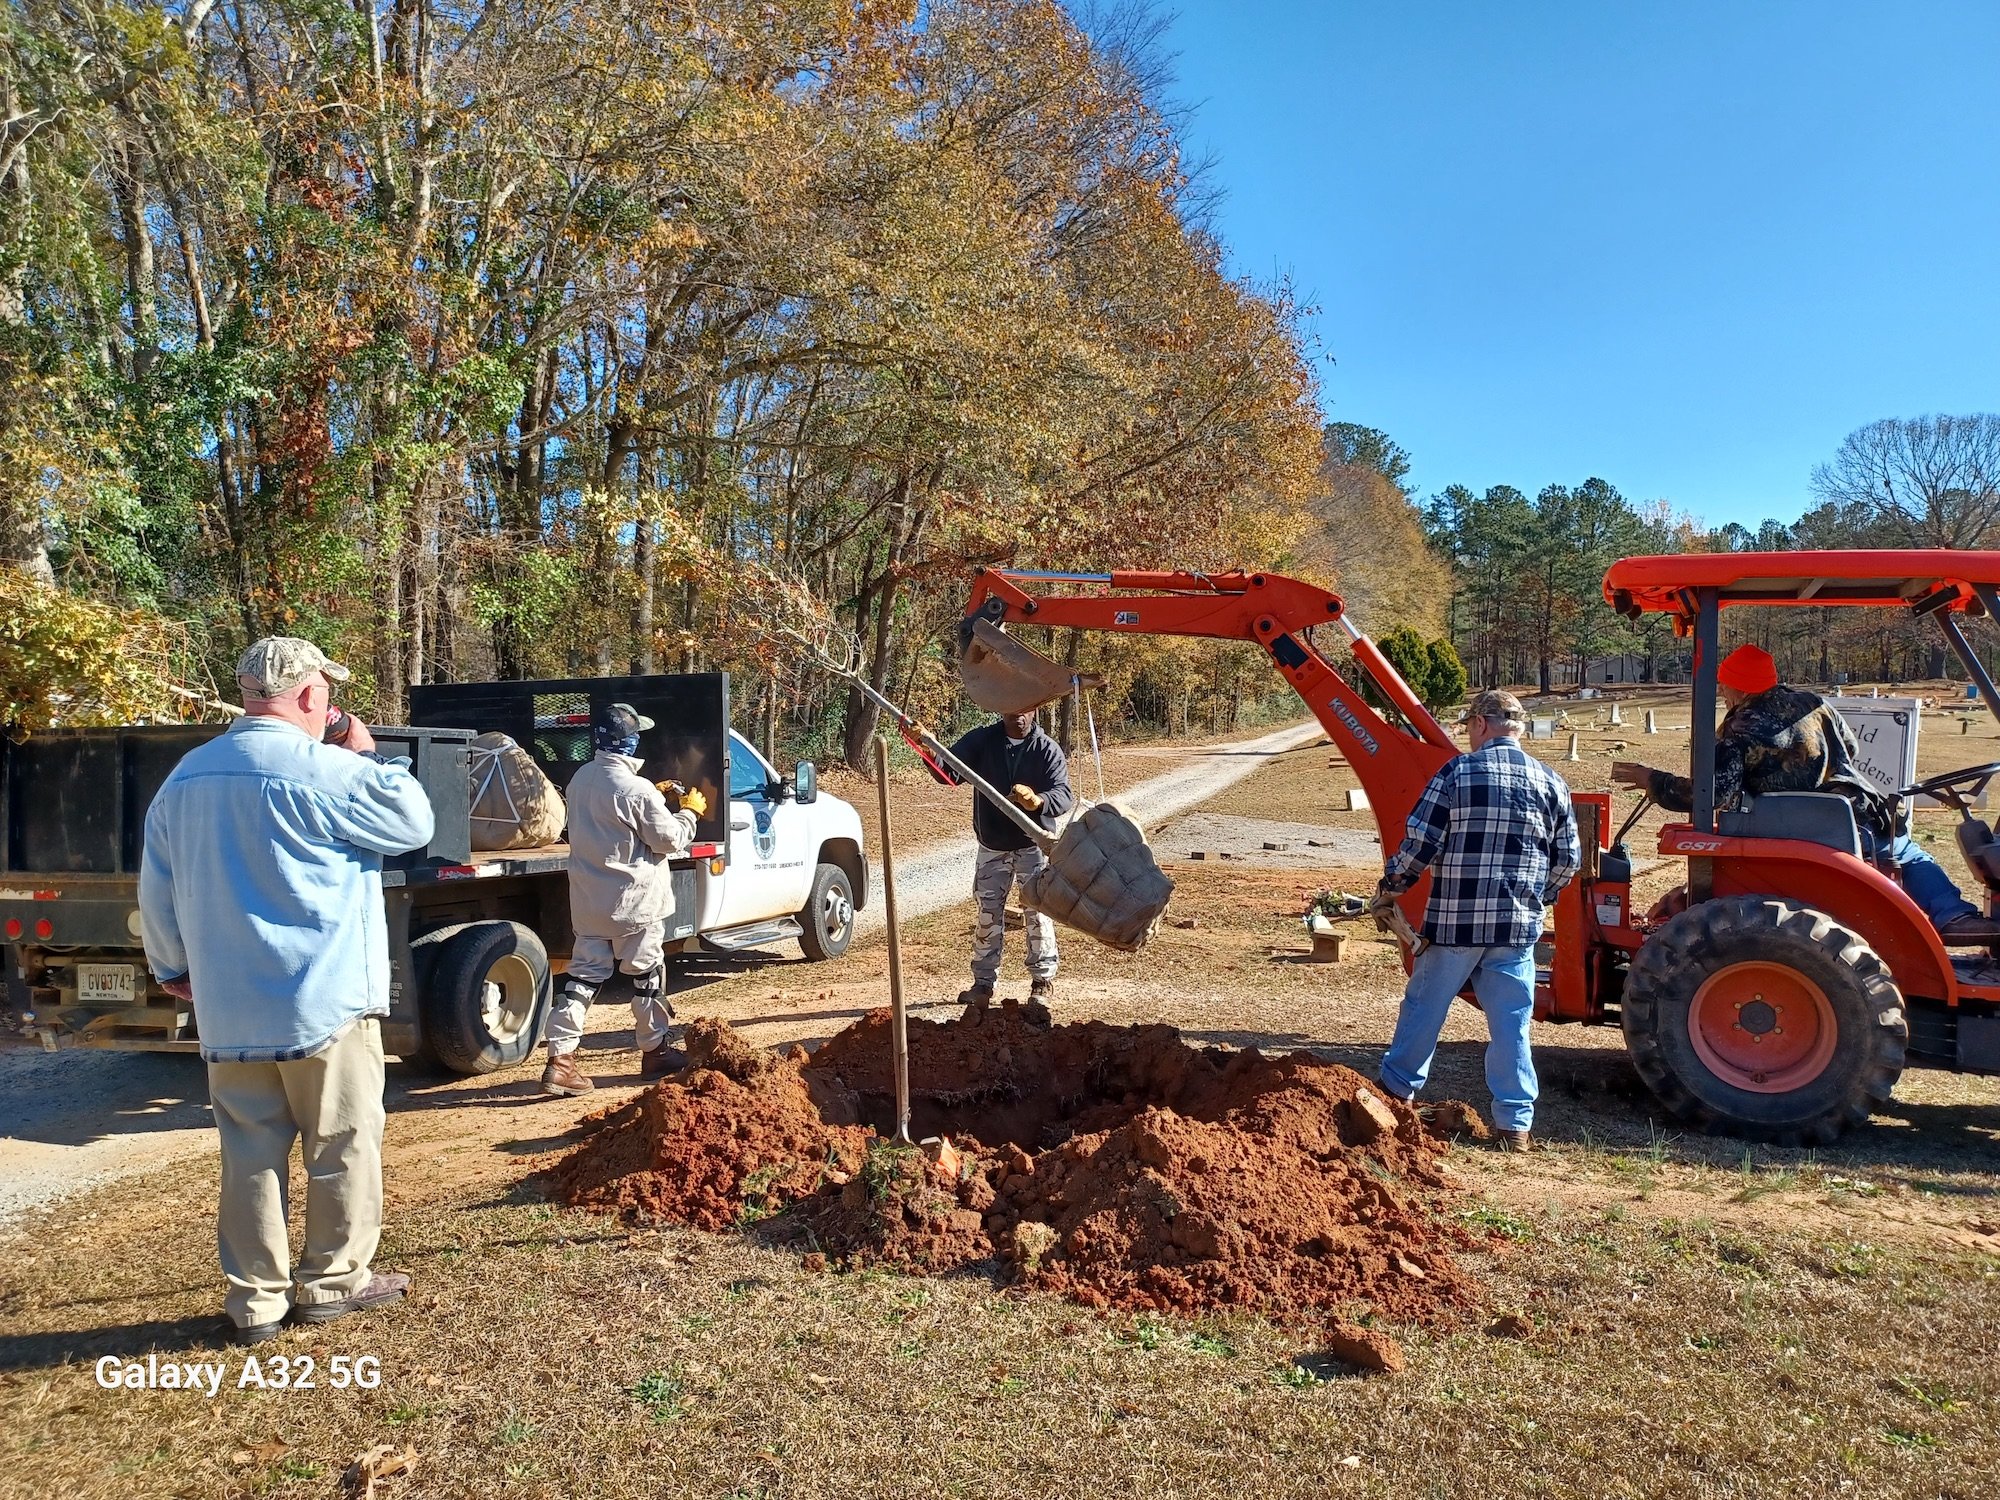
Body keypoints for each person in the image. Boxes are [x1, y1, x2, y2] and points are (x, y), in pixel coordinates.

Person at [139, 637, 436, 1346]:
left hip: (230, 1006)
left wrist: (172, 966)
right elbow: (414, 822)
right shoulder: (327, 770)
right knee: (341, 1143)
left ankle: (255, 1303)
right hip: (322, 1001)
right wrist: (365, 756)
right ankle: (333, 1282)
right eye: (327, 694)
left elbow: (158, 884)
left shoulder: (185, 777)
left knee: (247, 1151)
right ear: (310, 696)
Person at [1611, 643, 1992, 941]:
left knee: (1897, 847)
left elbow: (1710, 795)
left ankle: (1951, 916)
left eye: (1725, 684)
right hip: (1847, 811)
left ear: (1739, 684)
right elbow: (1851, 748)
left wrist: (1654, 780)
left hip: (1798, 825)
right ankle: (1952, 914)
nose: (1724, 692)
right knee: (1905, 849)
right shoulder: (1814, 704)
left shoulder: (1741, 727)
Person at [1374, 689, 1580, 1152]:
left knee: (1425, 1010)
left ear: (1482, 725)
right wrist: (1534, 900)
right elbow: (1568, 861)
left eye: (1468, 727)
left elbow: (1420, 842)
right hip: (1515, 929)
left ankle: (1394, 1095)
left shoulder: (1457, 773)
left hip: (1454, 926)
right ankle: (1515, 1126)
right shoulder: (1551, 781)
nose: (1468, 736)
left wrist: (1391, 887)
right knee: (1512, 1023)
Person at [542, 702, 705, 1096]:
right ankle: (655, 1052)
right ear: (630, 743)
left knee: (582, 979)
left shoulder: (581, 778)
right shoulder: (636, 789)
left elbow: (615, 817)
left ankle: (560, 1062)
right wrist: (689, 813)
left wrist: (654, 796)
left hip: (590, 903)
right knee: (647, 978)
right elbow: (668, 839)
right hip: (635, 904)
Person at [923, 708, 1074, 1006]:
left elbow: (1064, 794)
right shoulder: (983, 741)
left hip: (1032, 846)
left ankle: (1042, 983)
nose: (1018, 716)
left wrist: (1038, 800)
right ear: (1001, 709)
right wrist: (928, 747)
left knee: (1038, 914)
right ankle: (982, 984)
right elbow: (948, 773)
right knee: (987, 916)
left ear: (1034, 710)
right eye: (1011, 710)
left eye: (1024, 710)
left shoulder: (1046, 749)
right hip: (992, 847)